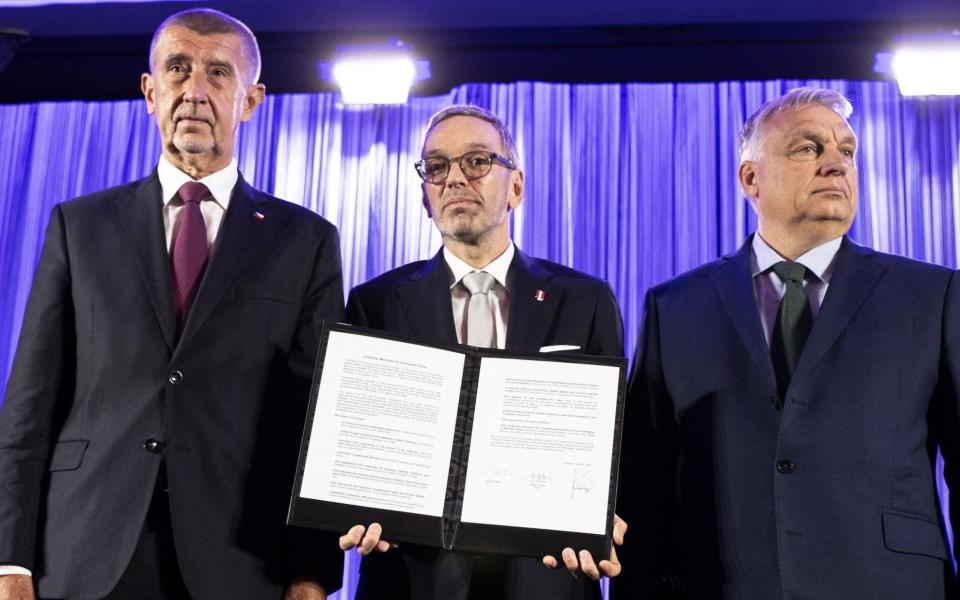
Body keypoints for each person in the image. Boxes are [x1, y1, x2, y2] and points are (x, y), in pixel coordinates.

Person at [0, 9, 344, 600]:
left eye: (218, 73)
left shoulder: (304, 240)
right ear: (150, 89)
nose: (194, 90)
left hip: (240, 561)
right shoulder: (79, 227)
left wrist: (310, 574)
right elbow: (30, 408)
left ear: (251, 100)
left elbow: (317, 421)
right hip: (85, 552)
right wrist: (10, 565)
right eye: (178, 69)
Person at [613, 87, 960, 599]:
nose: (836, 164)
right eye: (808, 148)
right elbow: (647, 486)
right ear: (749, 178)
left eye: (847, 151)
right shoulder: (675, 307)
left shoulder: (933, 295)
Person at [339, 104, 626, 600]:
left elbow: (616, 444)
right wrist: (352, 502)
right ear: (425, 196)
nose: (454, 179)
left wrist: (600, 512)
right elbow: (357, 440)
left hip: (546, 578)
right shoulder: (374, 302)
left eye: (476, 161)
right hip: (413, 581)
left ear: (516, 186)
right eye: (436, 167)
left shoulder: (585, 299)